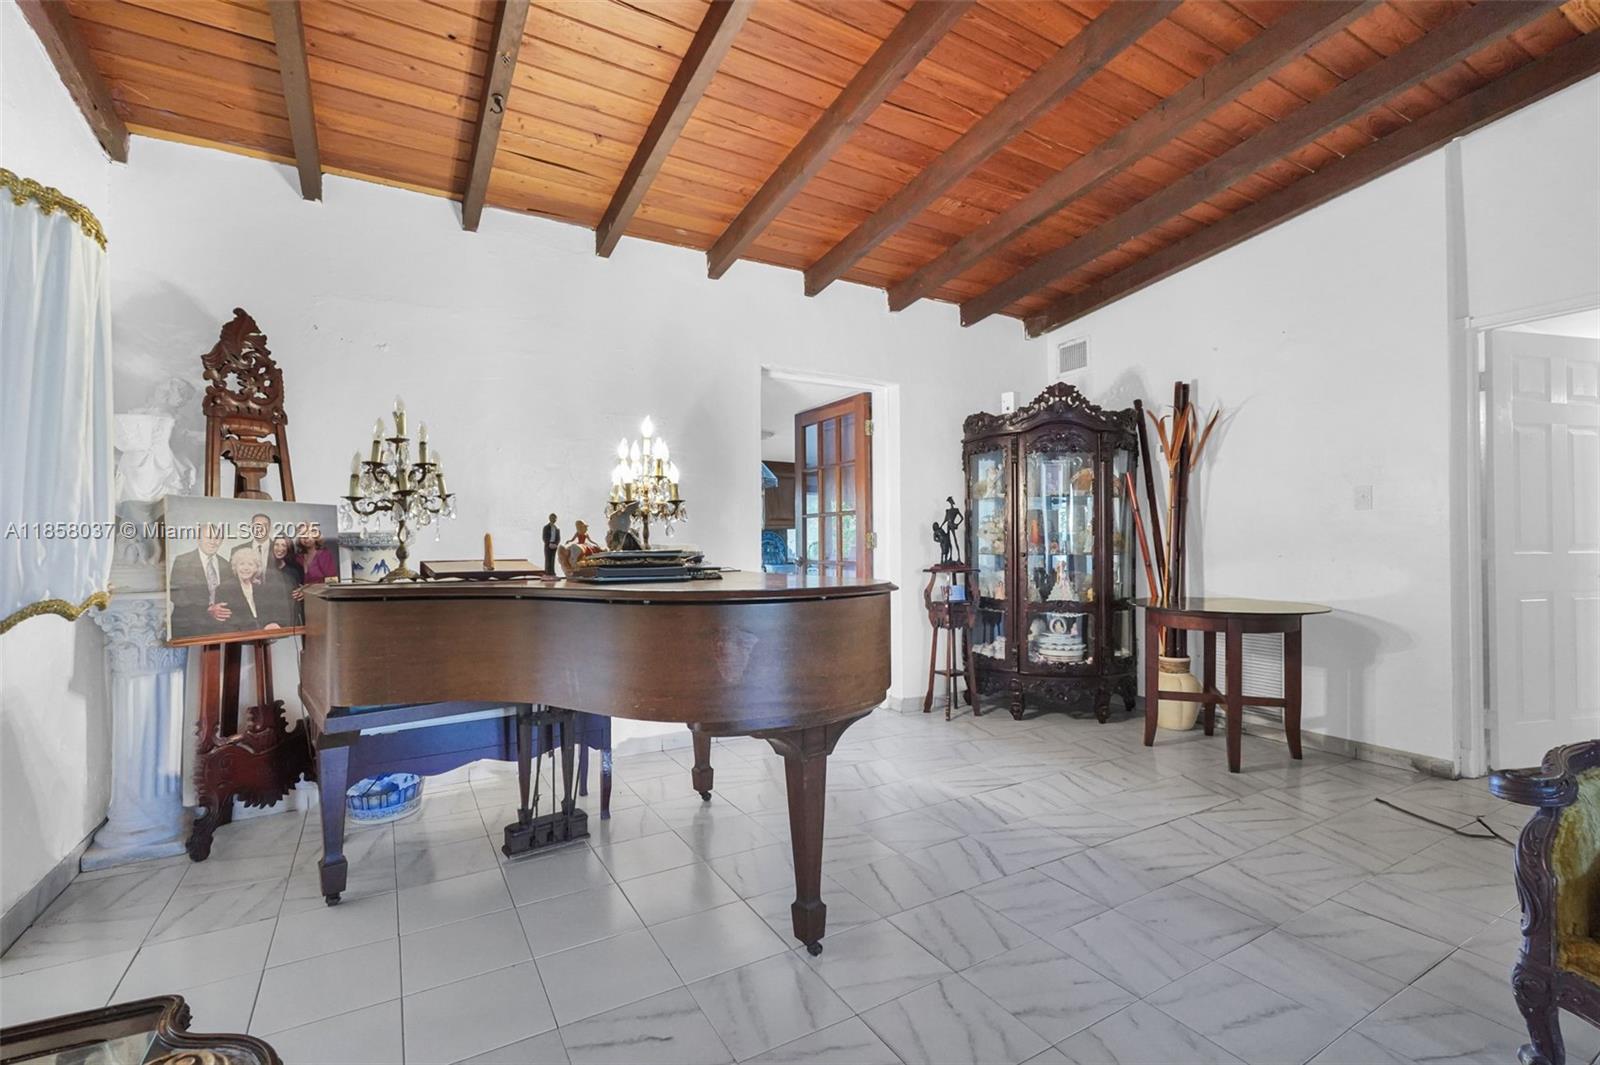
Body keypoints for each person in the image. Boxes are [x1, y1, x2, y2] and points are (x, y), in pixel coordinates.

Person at [169, 522, 228, 637]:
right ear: (198, 539)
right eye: (209, 537)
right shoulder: (183, 561)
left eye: (217, 538)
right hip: (187, 625)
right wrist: (207, 609)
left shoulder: (225, 564)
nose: (213, 542)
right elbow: (175, 594)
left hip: (218, 626)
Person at [217, 544, 290, 632]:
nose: (246, 568)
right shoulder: (225, 588)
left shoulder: (261, 588)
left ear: (256, 568)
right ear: (235, 567)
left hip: (263, 636)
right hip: (240, 637)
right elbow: (226, 622)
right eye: (242, 564)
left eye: (250, 564)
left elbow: (270, 614)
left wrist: (272, 624)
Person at [266, 534, 304, 625]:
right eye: (277, 545)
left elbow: (301, 588)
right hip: (269, 616)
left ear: (288, 549)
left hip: (290, 617)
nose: (280, 548)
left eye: (284, 545)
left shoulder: (295, 569)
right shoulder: (264, 569)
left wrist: (303, 592)